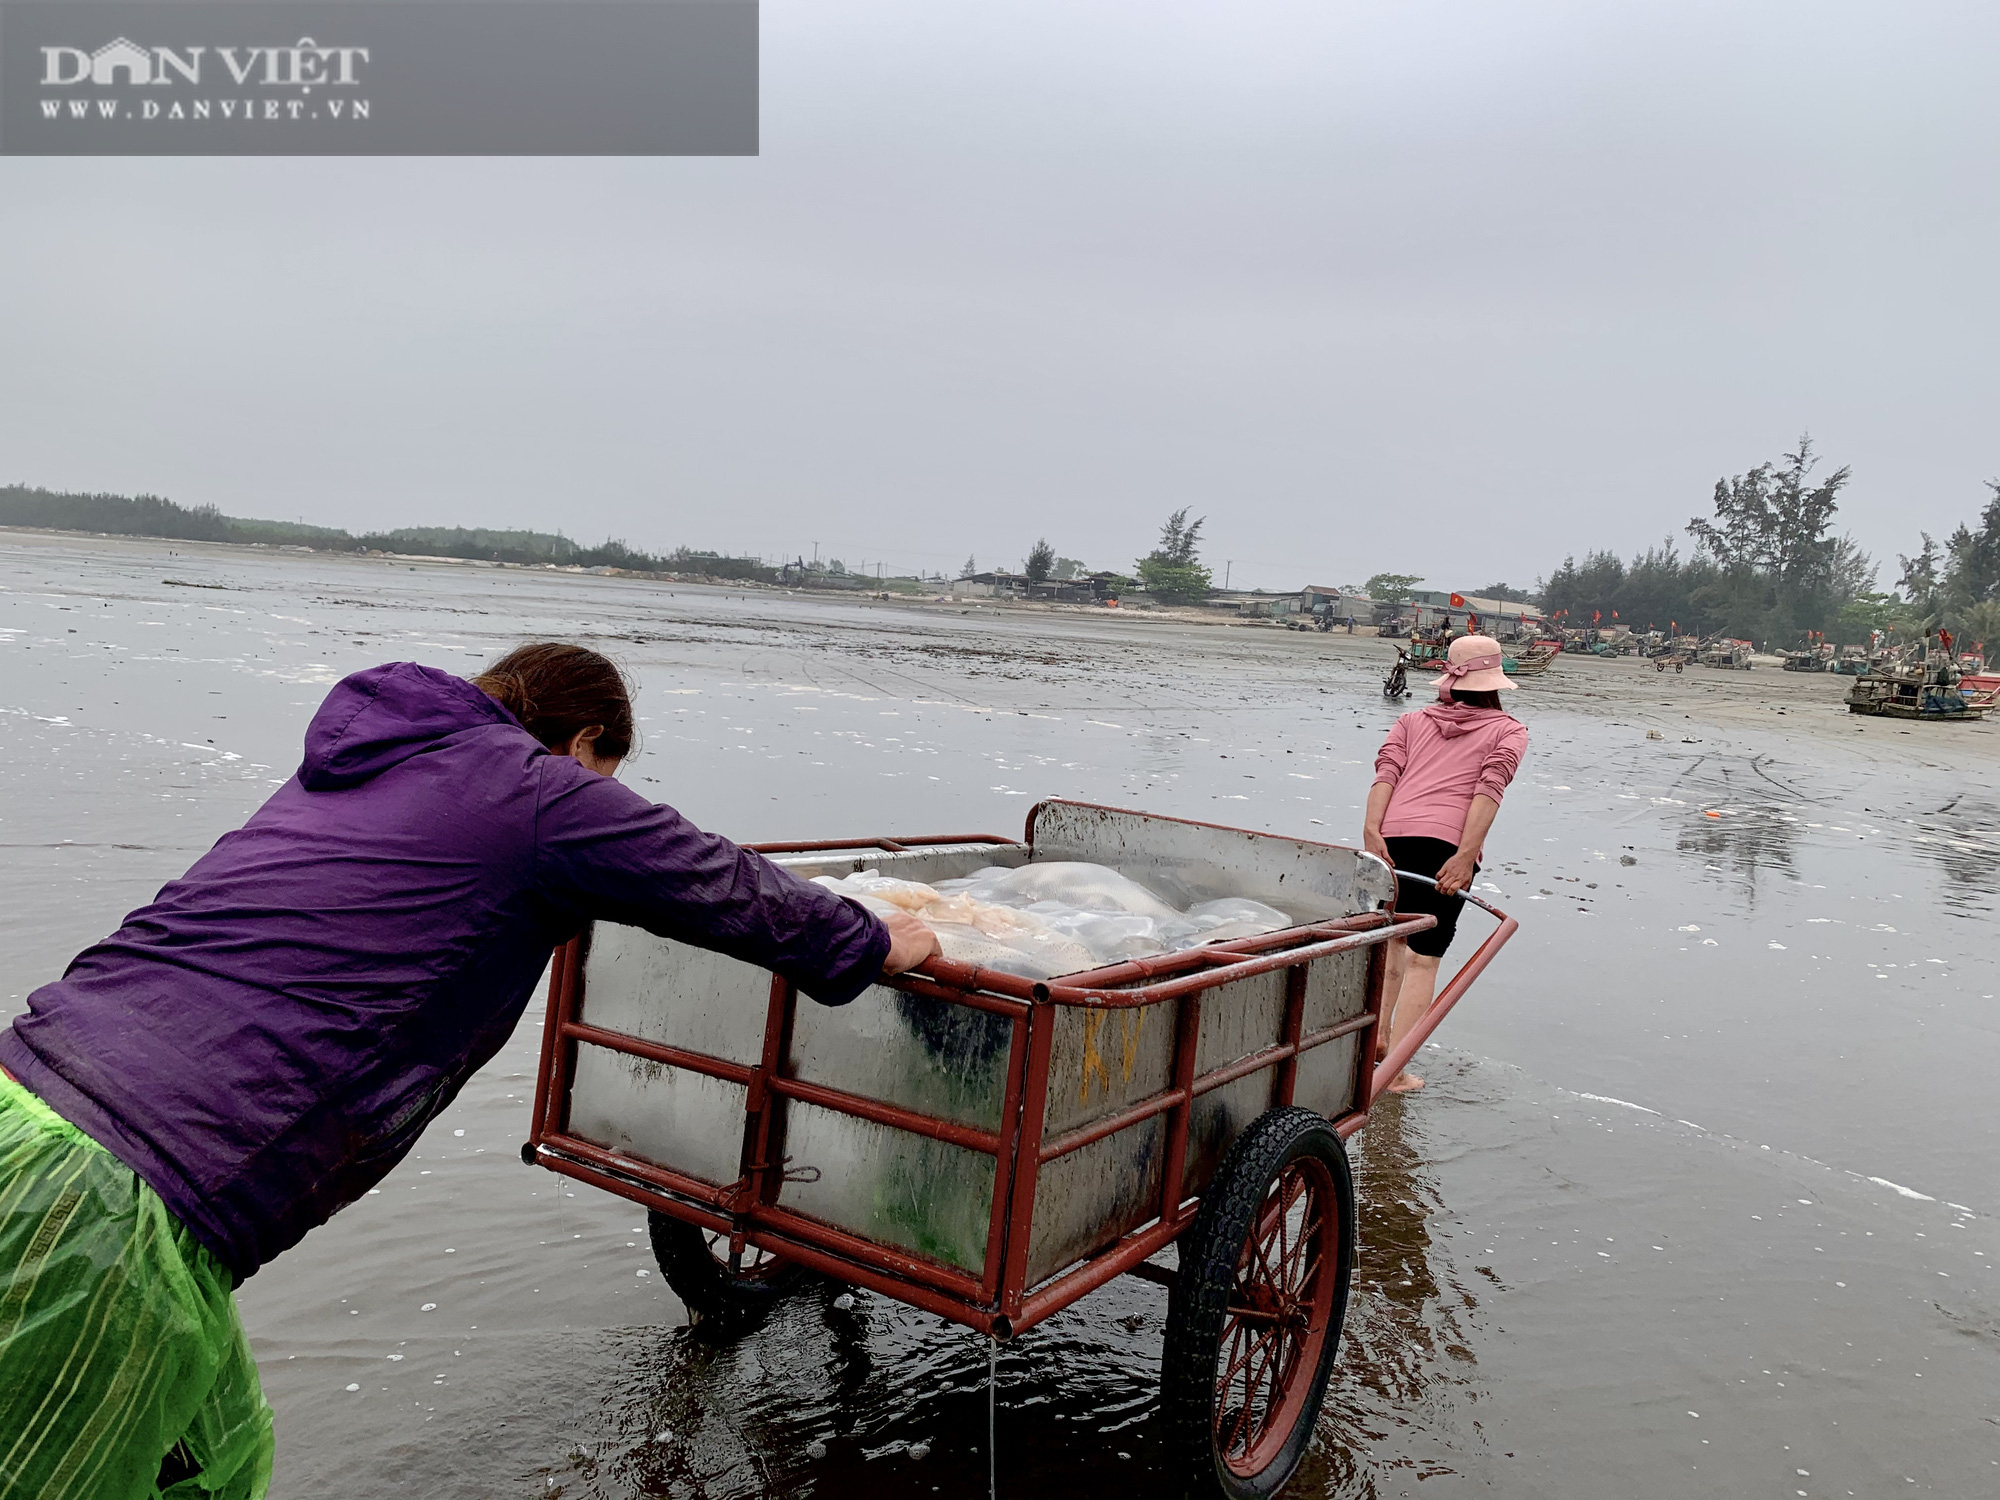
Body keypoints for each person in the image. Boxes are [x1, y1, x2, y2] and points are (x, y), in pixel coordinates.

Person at [0, 643, 937, 1500]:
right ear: (582, 744)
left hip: (29, 1101)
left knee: (221, 1458)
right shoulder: (540, 793)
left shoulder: (363, 767)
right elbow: (726, 885)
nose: (606, 794)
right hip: (110, 1199)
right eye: (609, 774)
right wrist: (880, 939)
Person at [1362, 634, 1527, 1093]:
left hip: (1392, 840)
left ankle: (1375, 1044)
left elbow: (1386, 773)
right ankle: (1392, 1072)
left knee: (1392, 946)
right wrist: (1465, 856)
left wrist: (1372, 831)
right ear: (1494, 681)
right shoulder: (1509, 730)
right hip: (1444, 848)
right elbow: (1487, 791)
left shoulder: (1411, 720)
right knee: (1422, 960)